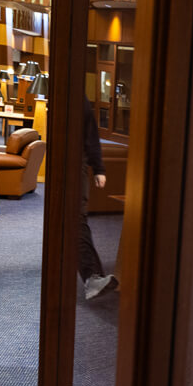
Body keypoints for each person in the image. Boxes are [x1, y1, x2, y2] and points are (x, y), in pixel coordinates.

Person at [80, 98, 117, 300]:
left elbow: (91, 135)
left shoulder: (81, 101)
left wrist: (99, 168)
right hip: (61, 162)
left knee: (77, 219)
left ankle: (92, 277)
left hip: (78, 163)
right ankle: (90, 276)